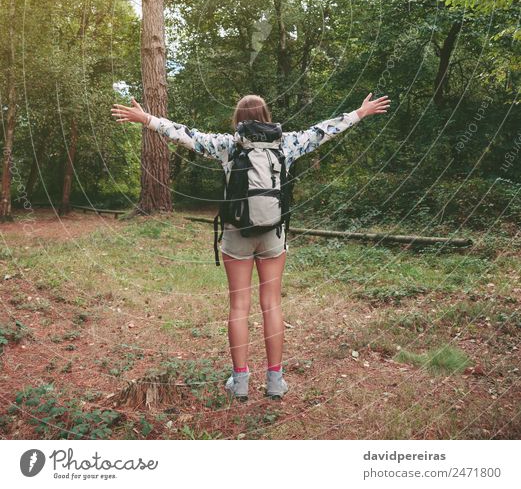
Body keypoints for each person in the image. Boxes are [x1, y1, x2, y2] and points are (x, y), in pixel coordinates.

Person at [111, 91, 390, 400]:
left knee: (239, 306)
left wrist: (146, 119)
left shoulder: (228, 146)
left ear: (238, 120)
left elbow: (183, 134)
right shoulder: (287, 143)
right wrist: (359, 112)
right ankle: (275, 382)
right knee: (271, 304)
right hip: (273, 234)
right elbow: (324, 131)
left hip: (236, 234)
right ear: (267, 116)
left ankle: (240, 382)